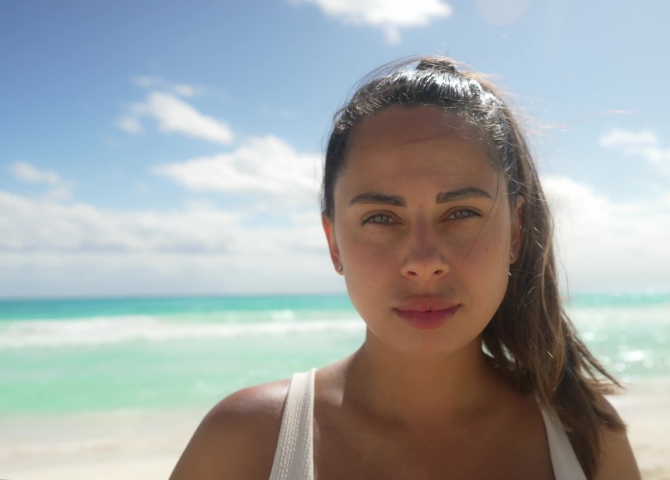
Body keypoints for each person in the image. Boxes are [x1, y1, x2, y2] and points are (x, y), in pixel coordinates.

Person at [170, 56, 641, 480]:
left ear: (515, 232)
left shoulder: (584, 435)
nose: (423, 262)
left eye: (460, 213)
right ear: (334, 242)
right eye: (381, 218)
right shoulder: (247, 443)